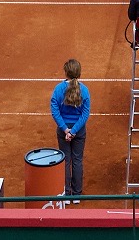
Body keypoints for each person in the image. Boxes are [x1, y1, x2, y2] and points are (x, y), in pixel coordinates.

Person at [50, 59, 90, 199]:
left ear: (66, 72)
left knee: (65, 161)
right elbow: (85, 114)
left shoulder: (58, 89)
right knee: (77, 161)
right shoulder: (84, 90)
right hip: (79, 131)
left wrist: (65, 129)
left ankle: (66, 195)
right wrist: (74, 131)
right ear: (79, 73)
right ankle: (77, 195)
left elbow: (55, 111)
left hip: (63, 131)